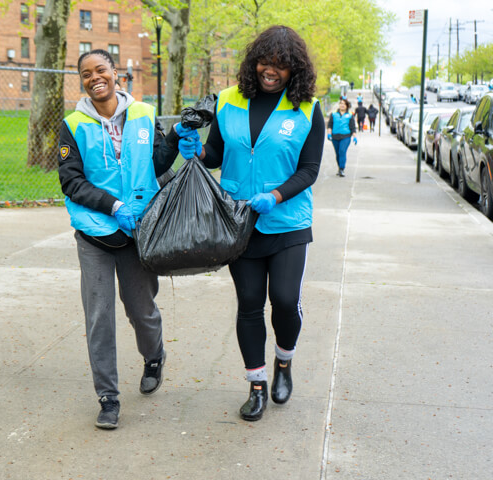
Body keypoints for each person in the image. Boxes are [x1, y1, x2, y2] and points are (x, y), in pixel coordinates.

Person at [192, 25, 325, 422]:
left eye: (281, 65)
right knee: (249, 304)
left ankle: (284, 361)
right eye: (265, 62)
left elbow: (310, 169)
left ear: (293, 71)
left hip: (287, 221)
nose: (271, 70)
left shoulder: (307, 109)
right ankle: (257, 385)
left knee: (284, 301)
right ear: (254, 62)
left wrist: (276, 195)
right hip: (238, 220)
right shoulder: (229, 101)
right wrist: (196, 151)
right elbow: (215, 153)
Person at [57, 49, 190, 430]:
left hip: (138, 231)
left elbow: (158, 163)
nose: (95, 77)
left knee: (141, 310)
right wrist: (111, 205)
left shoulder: (145, 116)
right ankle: (108, 398)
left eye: (101, 70)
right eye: (86, 74)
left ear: (116, 74)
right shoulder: (73, 124)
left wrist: (178, 140)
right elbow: (71, 180)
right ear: (81, 81)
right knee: (99, 317)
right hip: (95, 233)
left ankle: (154, 355)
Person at [327, 98, 357, 177]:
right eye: (341, 103)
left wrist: (354, 137)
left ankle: (342, 169)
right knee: (337, 154)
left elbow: (353, 127)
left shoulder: (350, 115)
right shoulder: (333, 114)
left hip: (346, 136)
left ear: (347, 106)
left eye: (344, 104)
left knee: (342, 151)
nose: (342, 105)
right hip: (335, 136)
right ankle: (339, 168)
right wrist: (329, 134)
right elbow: (330, 125)